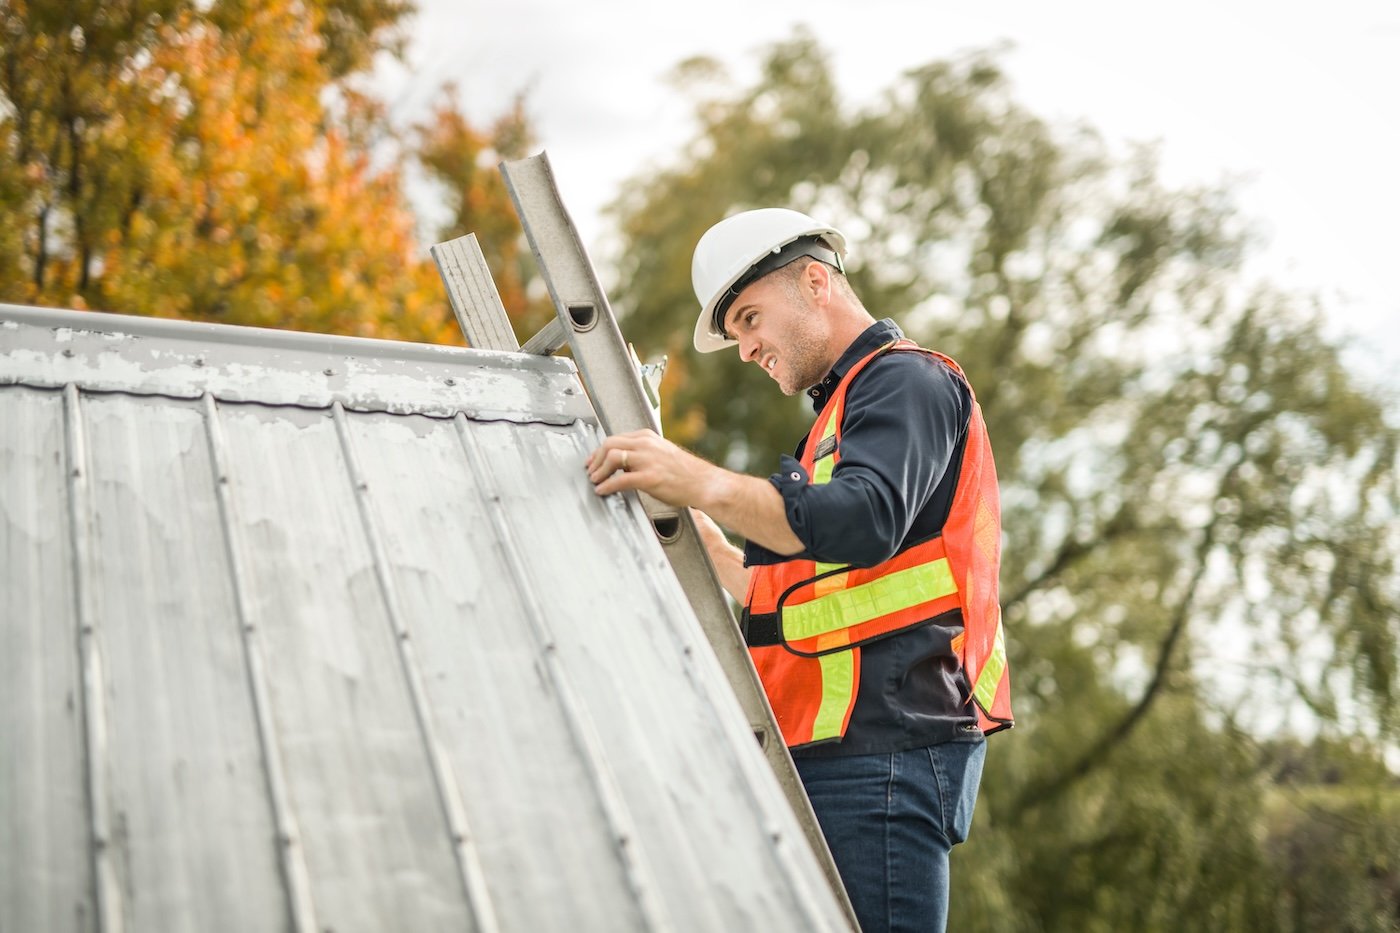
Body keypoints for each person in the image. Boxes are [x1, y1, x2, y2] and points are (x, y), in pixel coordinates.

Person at [586, 208, 1013, 933]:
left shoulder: (908, 381)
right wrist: (712, 547)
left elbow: (865, 519)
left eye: (750, 318)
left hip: (887, 752)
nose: (746, 347)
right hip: (841, 754)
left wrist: (699, 479)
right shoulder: (839, 418)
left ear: (815, 281)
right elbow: (814, 596)